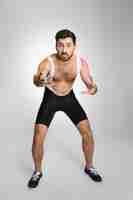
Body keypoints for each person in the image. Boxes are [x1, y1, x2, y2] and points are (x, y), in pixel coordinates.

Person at [27, 29, 103, 188]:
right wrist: (40, 80)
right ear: (56, 46)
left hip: (69, 98)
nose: (64, 49)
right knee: (38, 136)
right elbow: (37, 78)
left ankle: (90, 167)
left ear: (74, 46)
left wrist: (93, 88)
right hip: (51, 99)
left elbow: (90, 82)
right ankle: (37, 172)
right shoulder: (48, 62)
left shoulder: (79, 63)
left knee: (87, 133)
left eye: (68, 45)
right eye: (60, 45)